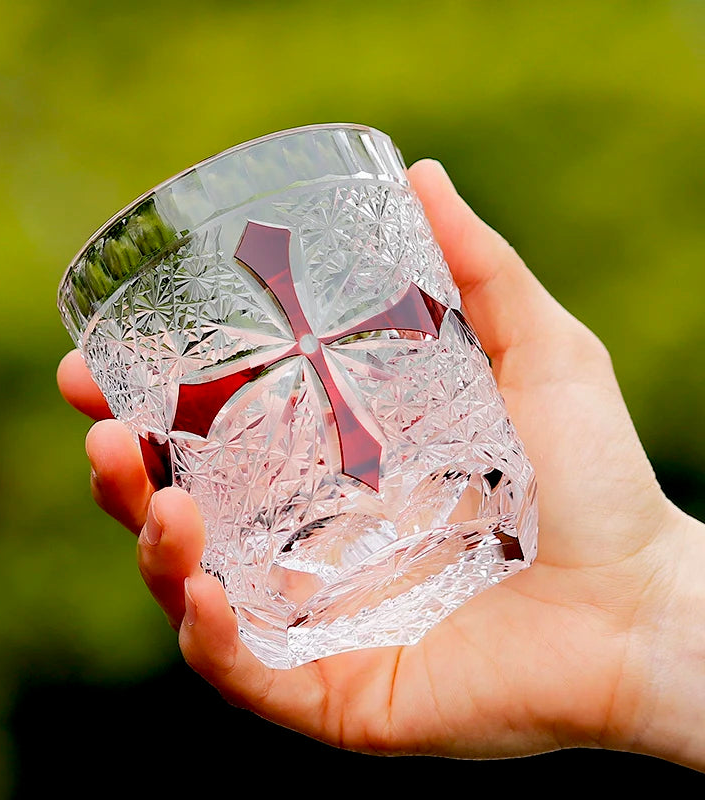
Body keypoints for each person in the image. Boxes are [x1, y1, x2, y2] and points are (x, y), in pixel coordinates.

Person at [56, 159, 705, 771]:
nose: (308, 345)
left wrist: (645, 607)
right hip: (302, 612)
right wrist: (641, 624)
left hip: (477, 535)